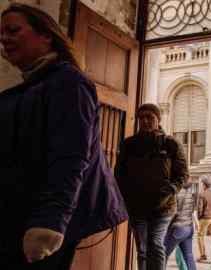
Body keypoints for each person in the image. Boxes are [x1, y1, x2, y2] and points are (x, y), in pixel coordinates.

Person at [0, 3, 128, 269]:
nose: (4, 39)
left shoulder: (69, 83)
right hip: (18, 215)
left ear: (46, 35)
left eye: (13, 30)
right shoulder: (29, 89)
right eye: (1, 33)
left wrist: (50, 220)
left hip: (40, 223)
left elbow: (70, 156)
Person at [115, 103, 188, 270]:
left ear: (158, 119)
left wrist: (171, 189)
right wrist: (124, 197)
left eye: (150, 117)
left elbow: (183, 174)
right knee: (142, 249)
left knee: (155, 244)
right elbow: (119, 174)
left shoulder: (170, 144)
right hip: (137, 207)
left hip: (163, 207)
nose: (145, 121)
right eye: (141, 118)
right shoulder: (129, 145)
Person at [164, 181, 197, 270]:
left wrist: (166, 226)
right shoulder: (189, 192)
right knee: (189, 256)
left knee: (163, 253)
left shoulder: (177, 192)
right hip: (189, 227)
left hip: (178, 228)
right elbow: (192, 209)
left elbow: (173, 212)